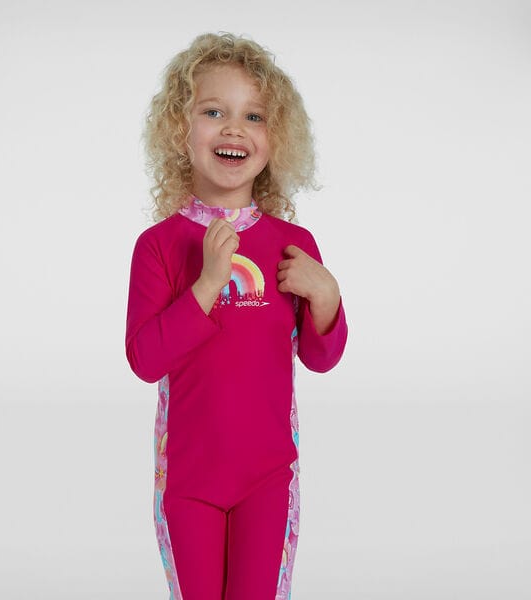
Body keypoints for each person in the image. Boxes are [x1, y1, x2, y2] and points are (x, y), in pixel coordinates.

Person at [125, 32, 348, 600]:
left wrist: (327, 298)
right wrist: (205, 285)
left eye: (254, 116)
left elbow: (320, 357)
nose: (234, 129)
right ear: (180, 129)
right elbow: (145, 359)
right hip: (187, 482)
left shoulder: (294, 244)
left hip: (269, 479)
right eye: (213, 111)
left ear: (277, 139)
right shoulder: (158, 246)